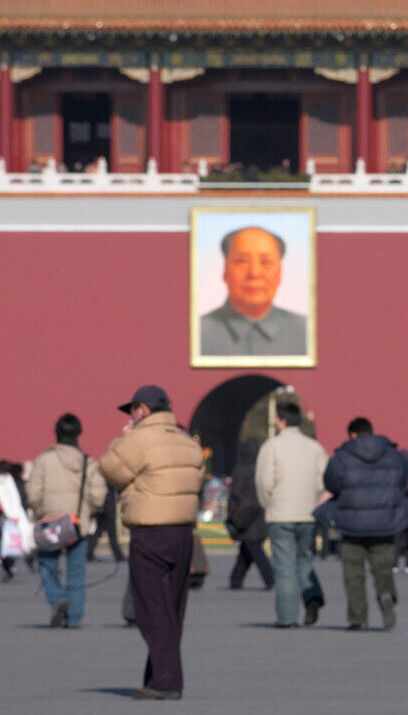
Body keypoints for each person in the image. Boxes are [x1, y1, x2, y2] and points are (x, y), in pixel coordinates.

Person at [99, 385, 205, 700]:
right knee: (172, 608)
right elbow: (196, 478)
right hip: (183, 532)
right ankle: (158, 675)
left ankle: (167, 682)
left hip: (151, 530)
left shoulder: (140, 439)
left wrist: (123, 438)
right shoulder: (187, 442)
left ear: (143, 409)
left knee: (151, 610)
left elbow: (110, 469)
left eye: (132, 410)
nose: (131, 417)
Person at [318, 417, 408, 630]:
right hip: (384, 520)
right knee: (382, 565)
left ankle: (358, 617)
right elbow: (403, 478)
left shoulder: (342, 456)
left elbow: (331, 481)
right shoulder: (392, 454)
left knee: (353, 571)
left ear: (352, 434)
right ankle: (386, 595)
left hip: (351, 521)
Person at [27, 413, 107, 628]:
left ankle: (56, 598)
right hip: (77, 524)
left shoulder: (44, 460)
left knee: (46, 566)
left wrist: (42, 511)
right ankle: (74, 617)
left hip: (50, 524)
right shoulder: (88, 462)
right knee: (76, 572)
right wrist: (88, 510)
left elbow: (33, 494)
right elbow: (98, 496)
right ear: (79, 433)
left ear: (57, 432)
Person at [254, 401, 327, 628]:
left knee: (285, 566)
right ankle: (312, 597)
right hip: (308, 513)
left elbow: (264, 482)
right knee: (304, 560)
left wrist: (269, 505)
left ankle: (287, 617)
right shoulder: (314, 447)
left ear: (279, 420)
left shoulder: (272, 446)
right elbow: (323, 481)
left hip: (281, 513)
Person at [199, 226, 307, 356]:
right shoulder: (196, 334)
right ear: (225, 271)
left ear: (279, 273)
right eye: (241, 261)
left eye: (266, 262)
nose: (254, 273)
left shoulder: (306, 332)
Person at [226, 438, 274, 590]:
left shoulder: (241, 470)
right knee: (247, 550)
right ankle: (235, 580)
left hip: (245, 516)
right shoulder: (261, 469)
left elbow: (235, 495)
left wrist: (233, 515)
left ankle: (270, 578)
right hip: (259, 516)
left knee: (254, 549)